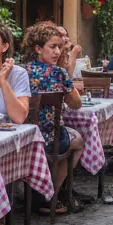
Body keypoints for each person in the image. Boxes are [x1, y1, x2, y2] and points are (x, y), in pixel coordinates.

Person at [21, 21, 86, 213]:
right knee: (78, 142)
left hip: (25, 136)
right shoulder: (59, 73)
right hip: (51, 137)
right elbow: (76, 104)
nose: (58, 51)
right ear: (38, 48)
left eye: (59, 46)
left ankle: (38, 190)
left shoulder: (21, 71)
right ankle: (53, 194)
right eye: (53, 47)